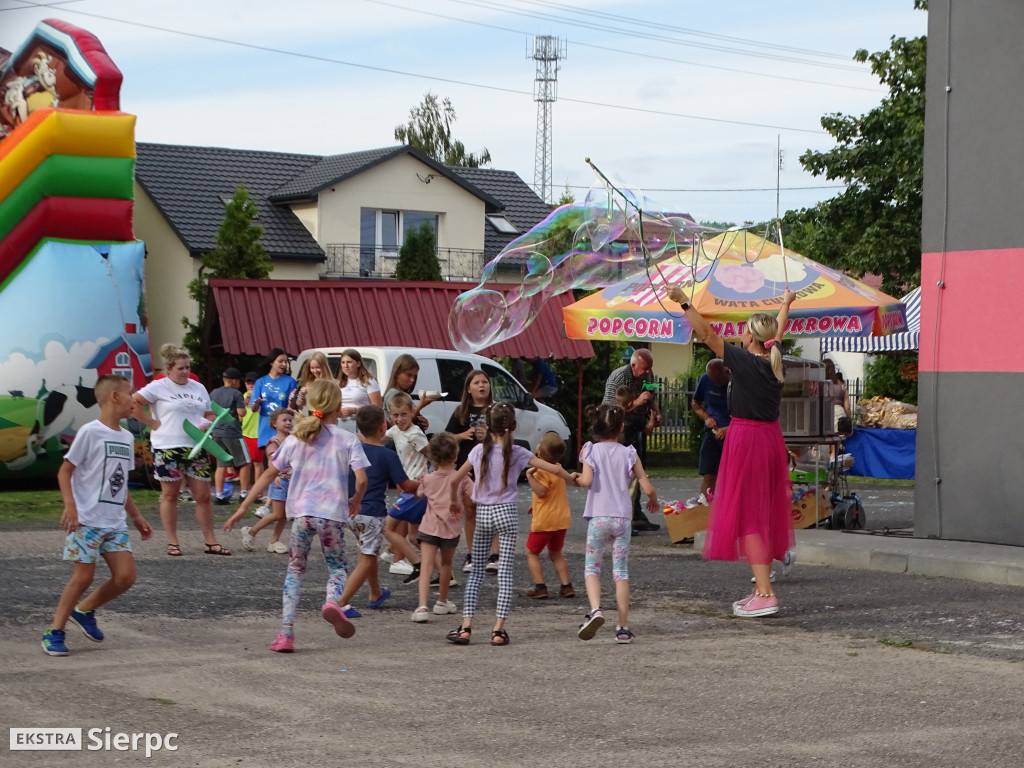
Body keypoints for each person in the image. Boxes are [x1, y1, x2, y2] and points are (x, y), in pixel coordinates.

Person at [667, 283, 797, 618]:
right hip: (769, 440)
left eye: (743, 332)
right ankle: (759, 587)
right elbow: (779, 328)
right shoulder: (773, 360)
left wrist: (684, 302)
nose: (739, 336)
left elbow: (708, 334)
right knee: (761, 516)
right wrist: (786, 303)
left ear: (752, 338)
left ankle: (766, 593)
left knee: (749, 519)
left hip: (748, 441)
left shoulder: (747, 361)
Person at [233, 379, 369, 652]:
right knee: (337, 567)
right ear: (339, 407)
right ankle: (332, 601)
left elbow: (271, 473)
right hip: (331, 516)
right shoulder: (348, 439)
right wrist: (356, 499)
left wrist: (243, 506)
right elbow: (362, 478)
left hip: (302, 516)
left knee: (295, 570)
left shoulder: (296, 439)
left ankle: (286, 633)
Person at [445, 402, 576, 647]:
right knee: (505, 573)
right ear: (513, 426)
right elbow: (554, 469)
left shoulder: (477, 452)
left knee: (476, 573)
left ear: (487, 425)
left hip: (483, 513)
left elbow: (454, 479)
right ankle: (498, 630)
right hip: (506, 513)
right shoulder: (518, 452)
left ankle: (465, 627)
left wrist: (454, 502)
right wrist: (573, 479)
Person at [41, 375, 154, 656]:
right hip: (87, 520)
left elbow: (120, 482)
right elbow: (64, 471)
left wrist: (137, 517)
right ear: (115, 397)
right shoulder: (90, 432)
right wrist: (70, 505)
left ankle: (84, 610)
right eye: (130, 394)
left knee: (125, 577)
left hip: (114, 521)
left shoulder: (127, 437)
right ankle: (54, 631)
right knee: (83, 577)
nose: (135, 399)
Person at [133, 344, 231, 556]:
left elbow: (209, 413)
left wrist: (208, 422)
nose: (185, 372)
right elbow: (133, 403)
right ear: (168, 369)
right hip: (168, 446)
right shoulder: (159, 386)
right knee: (170, 495)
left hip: (196, 445)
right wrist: (151, 422)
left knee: (203, 495)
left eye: (187, 367)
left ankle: (210, 541)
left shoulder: (198, 387)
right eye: (180, 368)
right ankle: (173, 541)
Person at [574, 404, 659, 644]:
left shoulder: (590, 450)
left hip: (599, 518)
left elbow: (587, 480)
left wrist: (575, 479)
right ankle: (622, 628)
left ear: (595, 427)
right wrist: (652, 499)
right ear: (621, 428)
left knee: (592, 569)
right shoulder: (629, 452)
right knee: (620, 572)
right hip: (622, 519)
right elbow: (645, 482)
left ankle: (596, 610)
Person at [334, 404, 416, 615]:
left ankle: (375, 592)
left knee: (367, 551)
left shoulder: (353, 449)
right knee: (367, 559)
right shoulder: (387, 455)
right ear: (384, 426)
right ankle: (340, 603)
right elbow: (406, 486)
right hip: (372, 514)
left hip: (350, 512)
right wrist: (425, 483)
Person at [411, 432, 472, 622]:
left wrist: (423, 480)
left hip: (429, 527)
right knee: (446, 565)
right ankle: (442, 601)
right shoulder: (462, 478)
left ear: (433, 457)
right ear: (455, 455)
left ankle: (422, 606)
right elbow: (475, 498)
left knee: (427, 566)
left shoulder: (427, 479)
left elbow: (419, 494)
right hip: (450, 530)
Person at [602, 348, 662, 533]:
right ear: (633, 365)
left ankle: (635, 515)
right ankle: (618, 519)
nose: (647, 373)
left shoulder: (647, 374)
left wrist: (656, 412)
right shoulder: (618, 377)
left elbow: (651, 395)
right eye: (644, 369)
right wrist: (636, 403)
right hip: (619, 431)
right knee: (622, 476)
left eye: (649, 369)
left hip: (637, 426)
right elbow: (610, 410)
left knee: (637, 472)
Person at [444, 369, 495, 574]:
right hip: (467, 467)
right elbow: (447, 436)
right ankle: (473, 555)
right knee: (470, 511)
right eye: (476, 383)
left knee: (491, 511)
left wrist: (490, 435)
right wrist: (463, 435)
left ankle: (494, 554)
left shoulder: (495, 409)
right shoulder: (460, 412)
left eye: (485, 382)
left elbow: (509, 435)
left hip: (490, 466)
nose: (482, 385)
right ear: (468, 388)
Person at [224, 408, 294, 553]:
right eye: (284, 420)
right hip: (279, 481)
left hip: (291, 481)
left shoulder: (292, 439)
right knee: (277, 514)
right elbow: (272, 463)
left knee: (284, 515)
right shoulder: (274, 442)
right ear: (275, 423)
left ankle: (274, 541)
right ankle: (251, 531)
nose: (288, 423)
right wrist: (275, 476)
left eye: (290, 420)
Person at [383, 392, 431, 581]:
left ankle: (418, 564)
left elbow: (431, 454)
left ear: (411, 413)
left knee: (388, 528)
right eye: (395, 415)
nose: (400, 419)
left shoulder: (415, 434)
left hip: (416, 488)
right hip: (408, 487)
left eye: (404, 414)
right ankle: (441, 569)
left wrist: (442, 476)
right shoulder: (395, 431)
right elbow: (377, 440)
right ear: (390, 415)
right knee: (413, 537)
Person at [523, 432, 574, 600]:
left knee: (532, 553)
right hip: (561, 519)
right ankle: (566, 586)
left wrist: (530, 475)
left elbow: (542, 491)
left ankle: (540, 587)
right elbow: (552, 493)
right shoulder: (558, 468)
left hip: (545, 522)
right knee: (556, 553)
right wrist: (534, 504)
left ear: (540, 454)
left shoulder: (540, 471)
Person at [688, 359, 732, 508]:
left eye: (719, 380)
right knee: (709, 474)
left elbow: (749, 414)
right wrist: (707, 418)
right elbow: (695, 403)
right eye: (713, 380)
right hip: (712, 432)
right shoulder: (705, 379)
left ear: (727, 372)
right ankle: (705, 507)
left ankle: (728, 508)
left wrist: (729, 428)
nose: (716, 384)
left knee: (732, 476)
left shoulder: (738, 383)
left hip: (734, 433)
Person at [209, 367, 250, 505]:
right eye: (238, 381)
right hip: (233, 433)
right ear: (234, 381)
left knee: (221, 465)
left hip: (217, 433)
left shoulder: (214, 392)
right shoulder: (236, 393)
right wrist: (245, 405)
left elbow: (210, 410)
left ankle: (219, 495)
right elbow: (242, 413)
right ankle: (244, 494)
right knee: (244, 462)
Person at [249, 348, 297, 452]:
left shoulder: (290, 382)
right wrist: (256, 404)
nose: (284, 365)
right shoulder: (260, 382)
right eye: (280, 361)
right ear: (271, 362)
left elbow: (292, 408)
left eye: (285, 362)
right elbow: (253, 408)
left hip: (283, 429)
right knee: (270, 464)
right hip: (265, 429)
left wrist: (291, 401)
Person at [382, 353, 441, 431]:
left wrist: (422, 422)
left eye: (414, 376)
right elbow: (399, 424)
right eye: (409, 375)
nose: (412, 380)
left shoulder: (402, 394)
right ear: (396, 373)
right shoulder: (393, 394)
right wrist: (421, 405)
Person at [336, 348, 383, 432]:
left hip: (362, 424)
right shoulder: (339, 383)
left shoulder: (369, 381)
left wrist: (355, 410)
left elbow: (377, 408)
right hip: (341, 424)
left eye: (349, 362)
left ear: (358, 363)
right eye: (343, 362)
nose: (345, 365)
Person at [240, 371, 263, 505]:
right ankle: (244, 491)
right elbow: (240, 416)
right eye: (248, 382)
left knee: (258, 463)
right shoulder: (242, 397)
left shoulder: (260, 396)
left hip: (258, 433)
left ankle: (258, 492)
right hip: (245, 432)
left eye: (253, 382)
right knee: (245, 463)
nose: (250, 385)